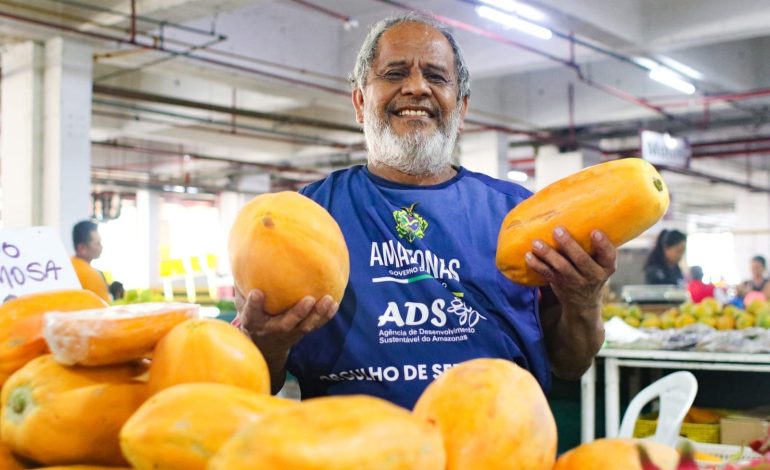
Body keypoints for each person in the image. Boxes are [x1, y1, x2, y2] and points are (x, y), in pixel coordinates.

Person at [235, 13, 616, 409]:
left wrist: (583, 301)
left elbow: (570, 365)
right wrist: (265, 343)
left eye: (436, 77)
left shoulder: (520, 214)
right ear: (360, 102)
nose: (416, 87)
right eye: (395, 73)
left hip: (501, 443)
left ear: (462, 107)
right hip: (355, 448)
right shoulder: (304, 216)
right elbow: (259, 381)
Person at [71, 220, 111, 302]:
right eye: (97, 243)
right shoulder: (90, 275)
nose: (101, 247)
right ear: (81, 248)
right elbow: (105, 309)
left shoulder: (66, 266)